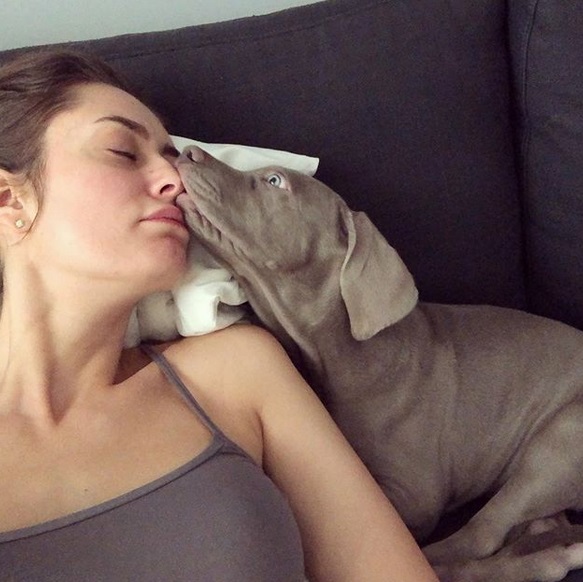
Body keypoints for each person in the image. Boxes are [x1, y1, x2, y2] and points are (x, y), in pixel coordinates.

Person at [0, 50, 438, 581]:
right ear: (8, 199)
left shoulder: (235, 372)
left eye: (171, 155)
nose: (173, 177)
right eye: (122, 151)